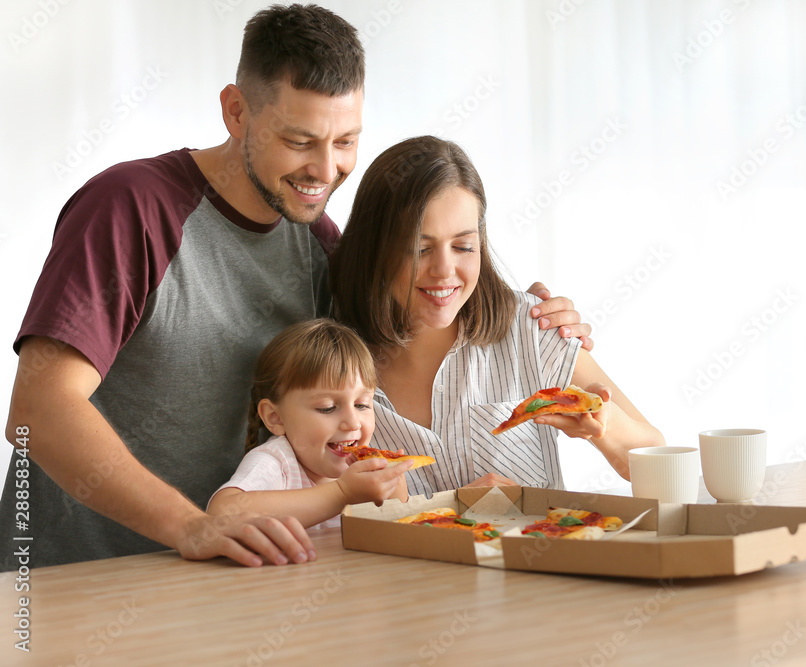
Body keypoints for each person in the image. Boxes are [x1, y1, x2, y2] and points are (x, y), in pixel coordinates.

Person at [1, 4, 588, 570]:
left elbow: (410, 326)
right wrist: (191, 526)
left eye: (346, 142)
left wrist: (532, 319)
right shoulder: (133, 210)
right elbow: (36, 408)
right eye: (300, 141)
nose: (326, 169)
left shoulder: (320, 244)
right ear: (236, 112)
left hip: (228, 583)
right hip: (75, 582)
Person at [330, 136, 664, 497]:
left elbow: (658, 463)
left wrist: (604, 424)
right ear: (374, 249)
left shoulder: (531, 327)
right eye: (420, 248)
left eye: (463, 246)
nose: (445, 270)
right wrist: (456, 507)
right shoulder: (332, 365)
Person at [207, 319, 410, 529]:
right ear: (275, 418)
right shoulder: (277, 461)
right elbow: (219, 515)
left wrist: (394, 490)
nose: (352, 423)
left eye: (361, 405)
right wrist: (341, 493)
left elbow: (394, 536)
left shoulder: (364, 471)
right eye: (327, 408)